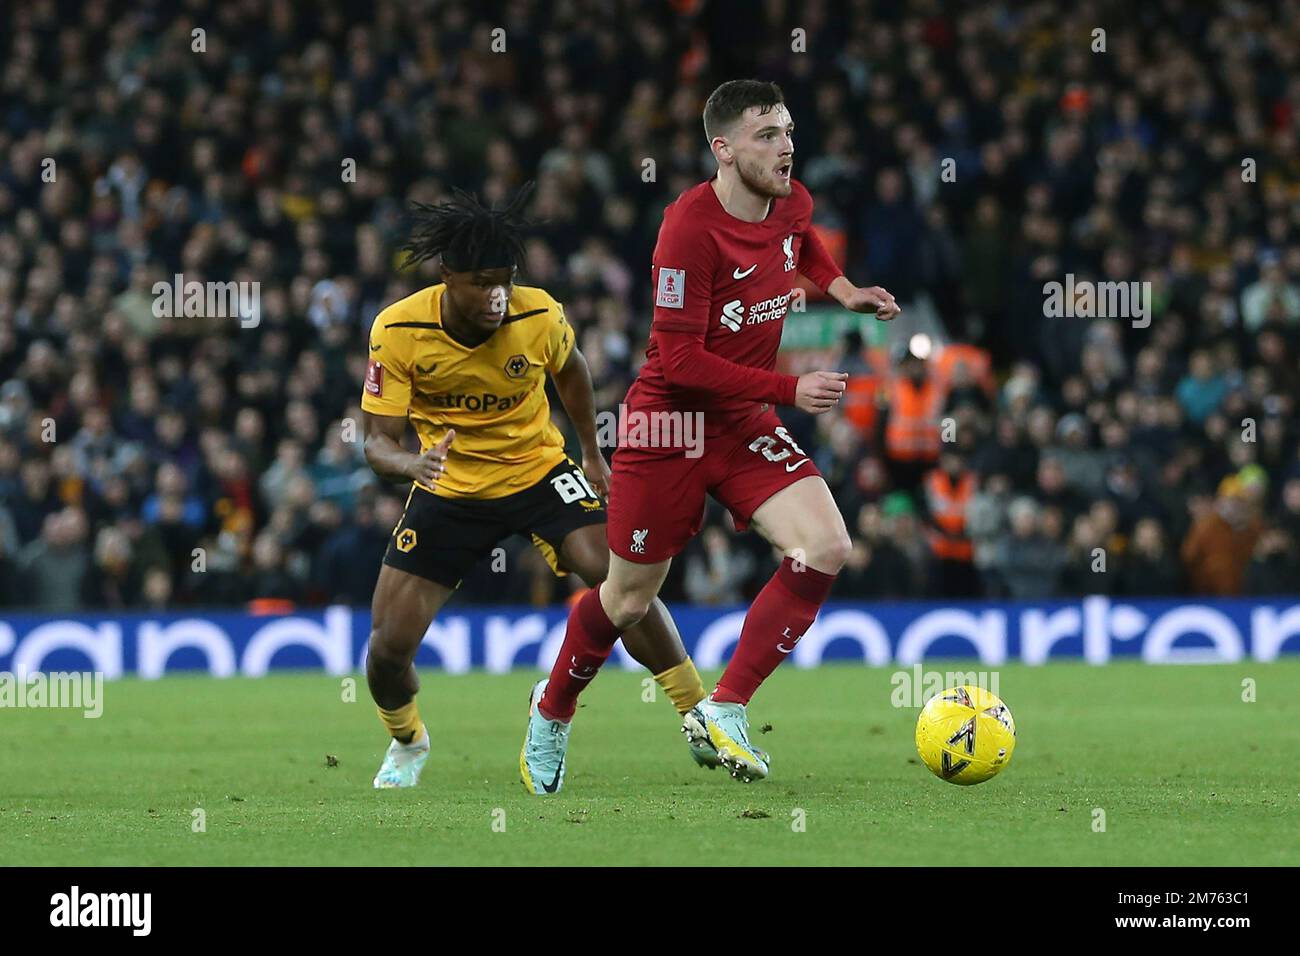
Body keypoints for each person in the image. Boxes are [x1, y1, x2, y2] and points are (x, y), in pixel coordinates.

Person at [520, 80, 898, 791]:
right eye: (766, 134)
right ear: (723, 150)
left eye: (787, 130)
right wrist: (792, 389)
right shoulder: (687, 230)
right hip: (669, 424)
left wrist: (842, 288)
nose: (785, 146)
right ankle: (553, 707)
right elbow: (685, 362)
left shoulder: (794, 199)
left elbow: (801, 241)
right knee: (627, 598)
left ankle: (725, 708)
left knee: (828, 545)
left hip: (741, 422)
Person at [360, 185, 710, 791]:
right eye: (482, 283)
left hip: (538, 471)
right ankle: (408, 740)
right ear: (448, 276)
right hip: (449, 488)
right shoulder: (399, 329)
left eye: (505, 280)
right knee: (388, 650)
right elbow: (376, 443)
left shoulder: (538, 312)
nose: (497, 296)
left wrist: (591, 453)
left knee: (615, 574)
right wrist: (408, 466)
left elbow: (571, 371)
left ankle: (696, 711)